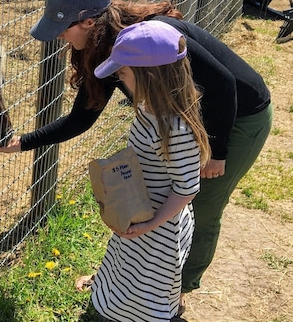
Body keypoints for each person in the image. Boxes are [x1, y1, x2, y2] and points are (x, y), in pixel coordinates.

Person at [0, 0, 273, 310]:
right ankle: (128, 281)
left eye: (63, 29)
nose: (61, 38)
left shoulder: (157, 40)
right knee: (154, 207)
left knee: (200, 207)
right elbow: (84, 115)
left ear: (89, 22)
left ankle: (173, 294)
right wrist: (23, 142)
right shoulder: (117, 52)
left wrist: (218, 152)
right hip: (183, 124)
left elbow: (225, 86)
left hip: (238, 118)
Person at [87, 20, 211, 321]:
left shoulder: (175, 129)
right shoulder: (147, 107)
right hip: (140, 211)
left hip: (160, 226)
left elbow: (187, 188)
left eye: (123, 72)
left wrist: (151, 224)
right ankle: (114, 303)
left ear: (150, 76)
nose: (119, 77)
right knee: (125, 267)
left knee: (148, 287)